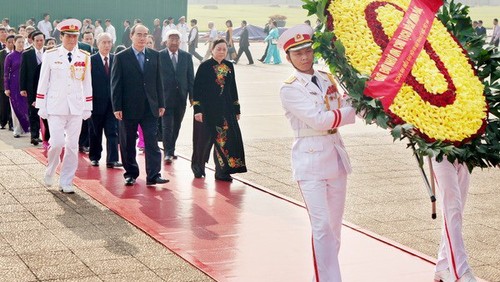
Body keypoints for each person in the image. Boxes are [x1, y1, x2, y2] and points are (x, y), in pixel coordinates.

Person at [278, 24, 356, 282]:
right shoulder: (290, 88)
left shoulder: (327, 78)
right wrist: (351, 113)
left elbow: (346, 103)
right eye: (297, 53)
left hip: (335, 157)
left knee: (334, 228)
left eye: (307, 51)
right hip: (310, 161)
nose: (304, 57)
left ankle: (324, 276)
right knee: (321, 227)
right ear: (288, 58)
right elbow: (320, 120)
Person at [36, 19, 93, 194]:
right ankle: (51, 168)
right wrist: (41, 105)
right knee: (57, 143)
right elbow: (43, 81)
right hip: (55, 106)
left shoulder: (84, 56)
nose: (72, 40)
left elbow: (87, 83)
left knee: (72, 146)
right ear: (61, 36)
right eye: (68, 36)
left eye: (75, 36)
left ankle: (66, 180)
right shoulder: (51, 55)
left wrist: (87, 106)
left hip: (76, 106)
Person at [111, 24, 168, 186]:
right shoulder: (121, 57)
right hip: (128, 108)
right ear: (131, 36)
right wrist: (117, 107)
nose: (142, 38)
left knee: (152, 141)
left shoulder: (155, 56)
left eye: (145, 34)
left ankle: (154, 175)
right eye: (139, 34)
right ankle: (131, 173)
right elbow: (116, 84)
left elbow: (159, 82)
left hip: (150, 107)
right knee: (128, 142)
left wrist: (161, 103)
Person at [191, 38, 247, 181]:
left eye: (224, 49)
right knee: (203, 141)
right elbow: (196, 89)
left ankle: (222, 171)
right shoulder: (204, 66)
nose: (221, 52)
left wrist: (236, 109)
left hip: (225, 110)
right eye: (218, 49)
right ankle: (198, 167)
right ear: (212, 50)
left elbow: (232, 88)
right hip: (207, 110)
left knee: (225, 141)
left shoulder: (229, 66)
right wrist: (197, 109)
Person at [431, 158, 477, 282]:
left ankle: (443, 265)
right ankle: (461, 272)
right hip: (439, 151)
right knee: (453, 209)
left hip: (465, 150)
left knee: (457, 210)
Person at [160, 29, 194, 163]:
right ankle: (167, 152)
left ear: (180, 41)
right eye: (171, 39)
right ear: (166, 41)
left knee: (177, 125)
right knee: (167, 125)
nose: (174, 42)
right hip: (165, 98)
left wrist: (192, 96)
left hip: (181, 97)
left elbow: (191, 77)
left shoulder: (186, 56)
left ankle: (171, 149)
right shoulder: (159, 56)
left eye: (176, 39)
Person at [89, 33, 121, 168]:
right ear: (98, 44)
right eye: (104, 42)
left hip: (112, 105)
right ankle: (95, 157)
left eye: (109, 42)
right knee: (95, 132)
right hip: (96, 103)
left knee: (112, 132)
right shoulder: (90, 60)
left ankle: (112, 159)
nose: (107, 45)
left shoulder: (116, 59)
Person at [20, 31, 45, 146]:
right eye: (37, 41)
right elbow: (23, 72)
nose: (39, 42)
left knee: (46, 113)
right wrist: (23, 88)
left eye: (41, 40)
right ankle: (34, 136)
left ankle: (46, 136)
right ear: (32, 41)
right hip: (32, 88)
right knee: (33, 112)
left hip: (47, 89)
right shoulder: (27, 54)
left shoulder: (50, 53)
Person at [4, 35, 30, 138]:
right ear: (14, 42)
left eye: (23, 42)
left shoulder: (27, 55)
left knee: (26, 107)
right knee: (15, 107)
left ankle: (27, 128)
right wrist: (6, 87)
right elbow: (6, 73)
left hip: (26, 84)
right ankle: (17, 129)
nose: (21, 44)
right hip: (14, 84)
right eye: (19, 42)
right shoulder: (9, 56)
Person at [0, 34, 13, 130]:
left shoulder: (20, 54)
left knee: (13, 105)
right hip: (3, 83)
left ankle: (12, 124)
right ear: (5, 43)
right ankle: (3, 122)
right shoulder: (1, 54)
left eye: (13, 42)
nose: (11, 44)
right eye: (9, 42)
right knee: (3, 105)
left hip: (15, 84)